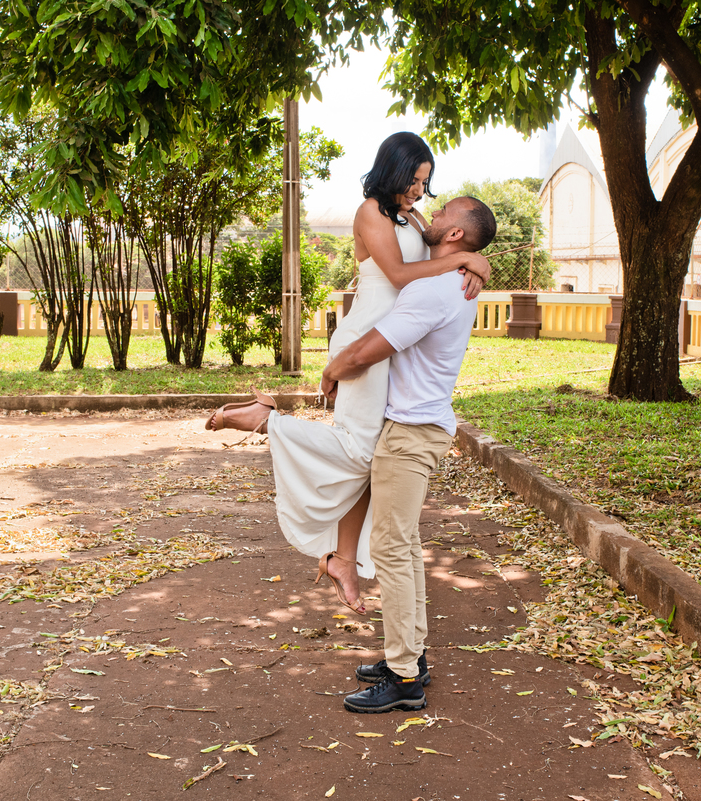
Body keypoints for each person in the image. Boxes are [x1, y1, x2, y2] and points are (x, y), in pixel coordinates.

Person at [206, 133, 490, 616]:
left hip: (393, 341)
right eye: (415, 180)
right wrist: (464, 258)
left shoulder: (415, 218)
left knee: (374, 459)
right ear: (394, 171)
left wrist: (473, 259)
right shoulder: (370, 212)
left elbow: (447, 247)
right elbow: (400, 276)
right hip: (367, 337)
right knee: (362, 452)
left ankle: (342, 558)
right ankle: (266, 419)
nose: (421, 192)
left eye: (426, 183)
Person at [323, 195, 497, 713]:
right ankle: (411, 658)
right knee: (405, 544)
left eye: (443, 212)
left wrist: (333, 369)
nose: (432, 212)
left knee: (394, 549)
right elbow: (414, 233)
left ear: (456, 236)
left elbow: (371, 348)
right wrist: (477, 262)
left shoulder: (435, 290)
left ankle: (402, 679)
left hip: (410, 432)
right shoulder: (452, 279)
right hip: (418, 426)